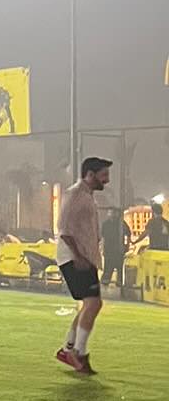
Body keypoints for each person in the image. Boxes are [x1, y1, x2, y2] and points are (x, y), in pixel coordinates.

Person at [56, 158, 113, 374]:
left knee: (89, 305)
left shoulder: (86, 196)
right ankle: (77, 352)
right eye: (103, 175)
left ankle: (67, 349)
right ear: (90, 174)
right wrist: (78, 256)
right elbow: (64, 228)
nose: (106, 180)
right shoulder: (76, 195)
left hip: (84, 258)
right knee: (93, 304)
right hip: (75, 258)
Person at [100, 207, 130, 294]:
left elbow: (128, 234)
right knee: (107, 268)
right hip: (108, 250)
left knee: (119, 268)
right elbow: (103, 237)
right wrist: (102, 248)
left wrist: (127, 246)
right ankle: (105, 284)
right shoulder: (106, 224)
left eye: (112, 213)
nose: (111, 214)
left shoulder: (121, 224)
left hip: (119, 250)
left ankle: (120, 286)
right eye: (110, 213)